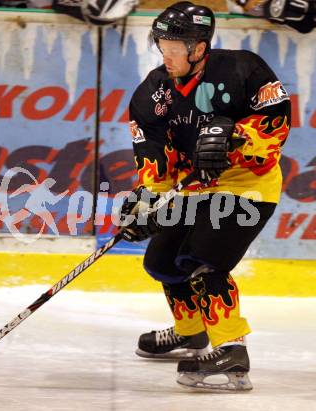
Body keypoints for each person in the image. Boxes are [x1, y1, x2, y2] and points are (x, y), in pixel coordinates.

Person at [120, 1, 290, 391]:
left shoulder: (243, 69)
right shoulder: (153, 91)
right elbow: (155, 160)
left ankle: (231, 346)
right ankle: (190, 333)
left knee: (202, 259)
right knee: (162, 261)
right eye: (161, 46)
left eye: (174, 47)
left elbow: (275, 127)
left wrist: (235, 137)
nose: (167, 54)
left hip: (248, 185)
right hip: (195, 188)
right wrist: (147, 200)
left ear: (199, 47)